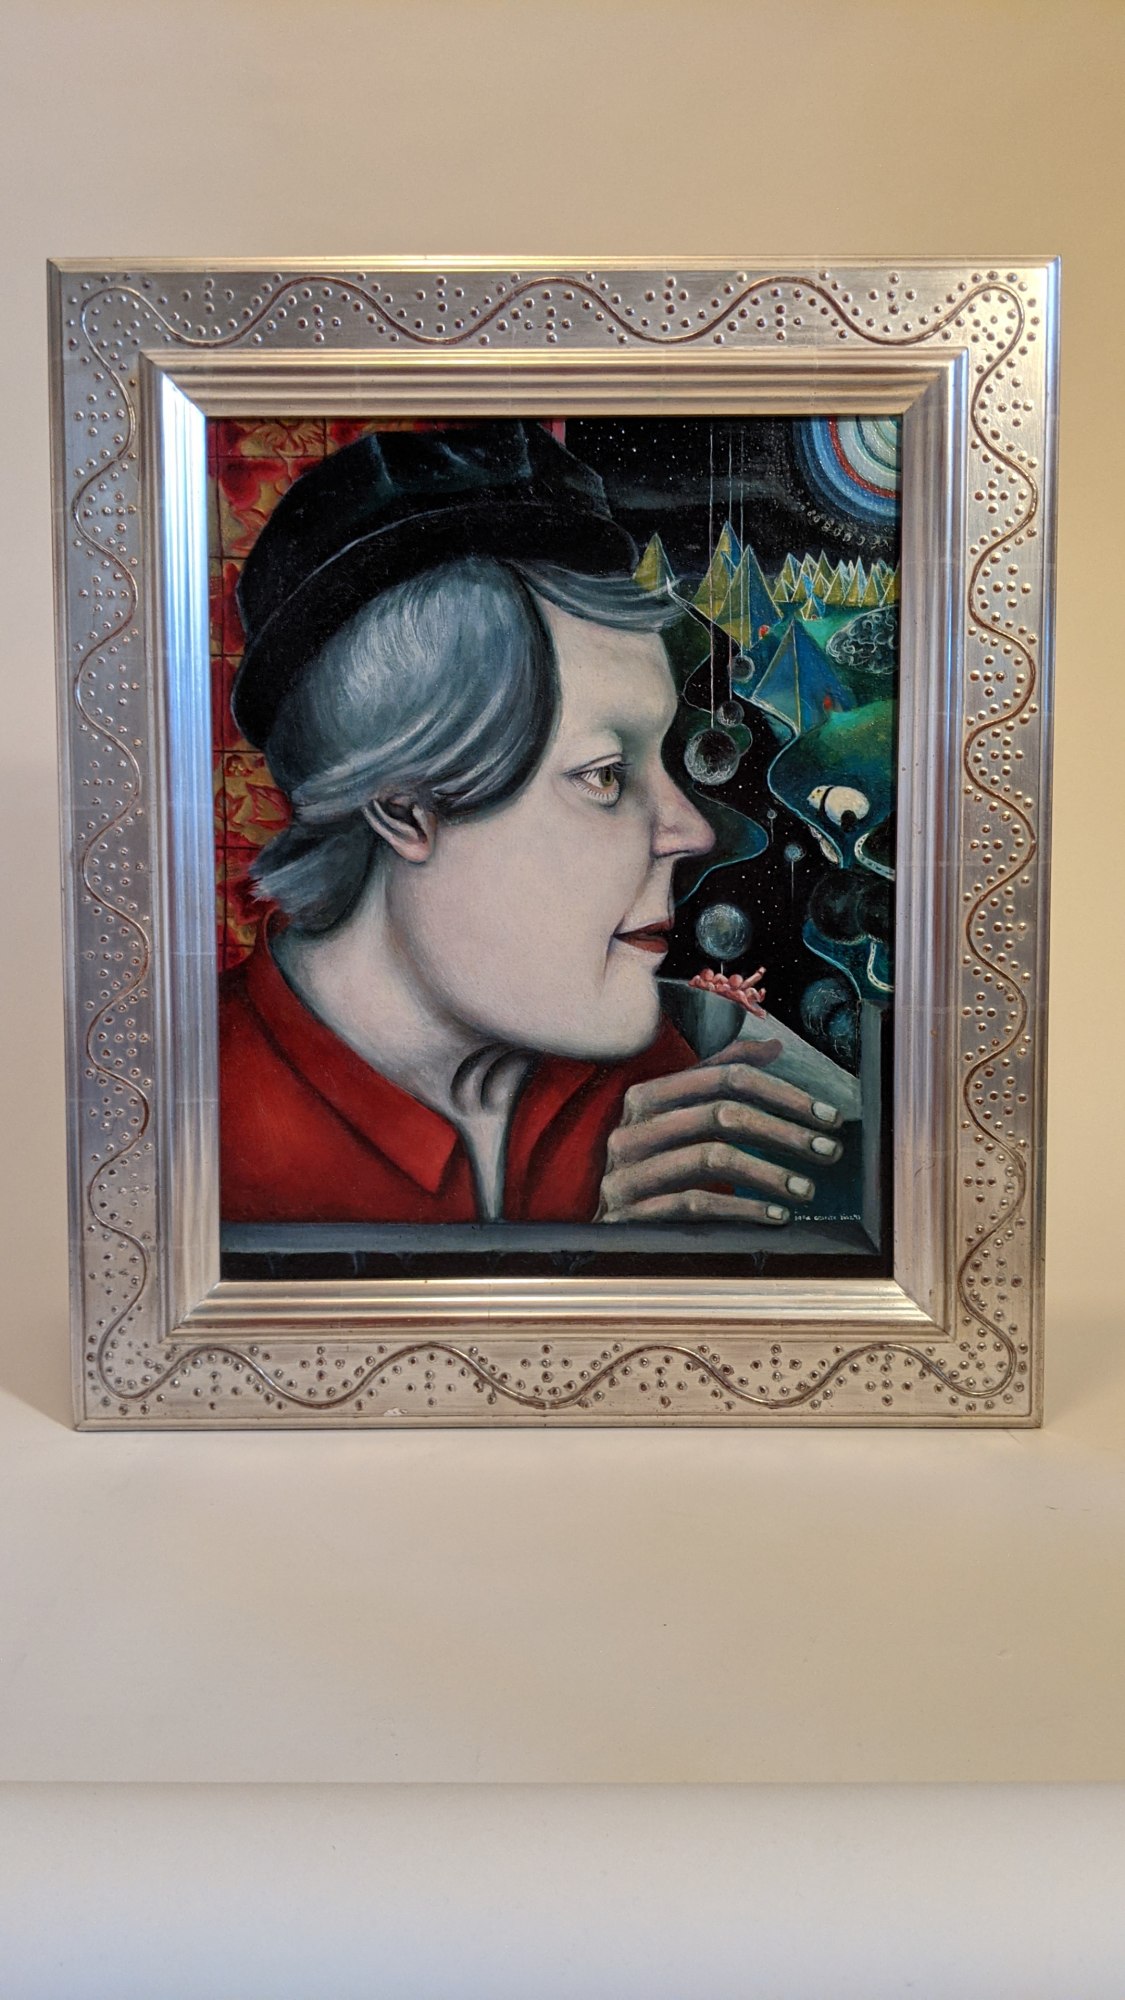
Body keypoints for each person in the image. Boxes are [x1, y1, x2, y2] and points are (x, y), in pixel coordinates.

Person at [219, 422, 845, 1227]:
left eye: (661, 759)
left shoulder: (668, 1077)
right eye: (605, 775)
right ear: (405, 807)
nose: (691, 832)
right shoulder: (181, 1118)